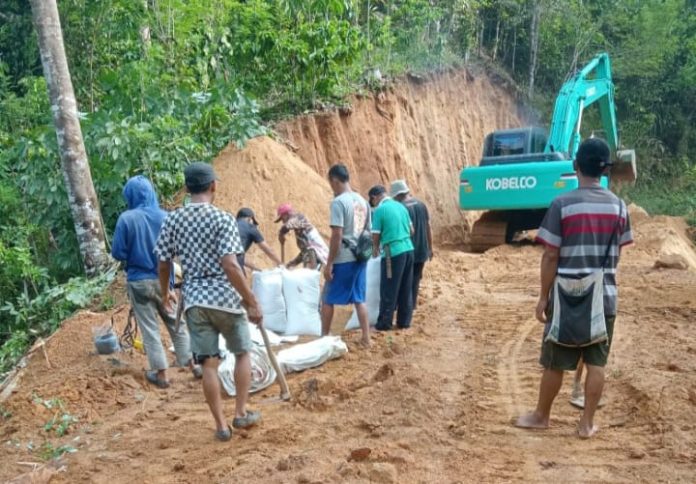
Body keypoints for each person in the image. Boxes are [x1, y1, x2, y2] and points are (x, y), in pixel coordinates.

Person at [515, 138, 633, 439]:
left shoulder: (561, 204)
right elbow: (618, 253)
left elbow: (550, 255)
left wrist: (543, 296)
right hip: (604, 297)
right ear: (605, 170)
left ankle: (541, 416)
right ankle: (586, 424)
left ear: (575, 165)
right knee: (596, 362)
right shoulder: (620, 208)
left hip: (566, 296)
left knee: (555, 360)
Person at [155, 162, 263, 442]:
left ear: (186, 188)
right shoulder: (222, 218)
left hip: (194, 301)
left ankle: (221, 426)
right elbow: (231, 265)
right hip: (225, 298)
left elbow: (164, 263)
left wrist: (165, 291)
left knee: (209, 364)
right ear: (213, 185)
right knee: (242, 353)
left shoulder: (173, 220)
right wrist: (250, 300)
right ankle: (240, 412)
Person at [111, 175, 198, 388]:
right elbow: (176, 251)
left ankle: (162, 375)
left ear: (130, 196)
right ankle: (193, 364)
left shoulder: (126, 219)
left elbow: (118, 253)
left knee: (149, 328)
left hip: (138, 281)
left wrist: (135, 252)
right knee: (176, 323)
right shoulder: (166, 217)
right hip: (164, 280)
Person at [321, 164, 371, 346]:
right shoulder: (363, 201)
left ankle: (324, 338)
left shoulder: (338, 202)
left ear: (335, 180)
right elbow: (368, 230)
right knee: (359, 299)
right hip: (360, 257)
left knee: (327, 298)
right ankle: (366, 338)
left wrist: (329, 264)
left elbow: (337, 235)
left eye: (331, 183)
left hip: (344, 258)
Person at [369, 185, 415, 331]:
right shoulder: (401, 207)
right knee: (406, 287)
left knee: (388, 288)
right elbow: (412, 231)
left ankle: (384, 323)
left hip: (392, 253)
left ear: (374, 198)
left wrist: (375, 251)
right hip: (409, 250)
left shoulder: (379, 210)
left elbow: (375, 235)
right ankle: (404, 321)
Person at [390, 180, 433, 309]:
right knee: (415, 278)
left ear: (397, 195)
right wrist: (430, 248)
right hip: (422, 249)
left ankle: (402, 306)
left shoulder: (400, 208)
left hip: (406, 250)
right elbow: (428, 227)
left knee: (403, 279)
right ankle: (412, 305)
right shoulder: (421, 205)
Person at [276, 203, 329, 270]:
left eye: (282, 218)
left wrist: (281, 233)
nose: (282, 221)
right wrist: (293, 263)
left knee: (309, 273)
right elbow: (304, 251)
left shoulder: (299, 218)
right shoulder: (299, 230)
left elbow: (287, 225)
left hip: (316, 254)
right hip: (315, 255)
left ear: (286, 215)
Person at [235, 207, 282, 274]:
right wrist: (281, 265)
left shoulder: (232, 225)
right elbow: (268, 250)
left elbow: (236, 256)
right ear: (249, 219)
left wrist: (256, 269)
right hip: (234, 267)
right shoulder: (250, 227)